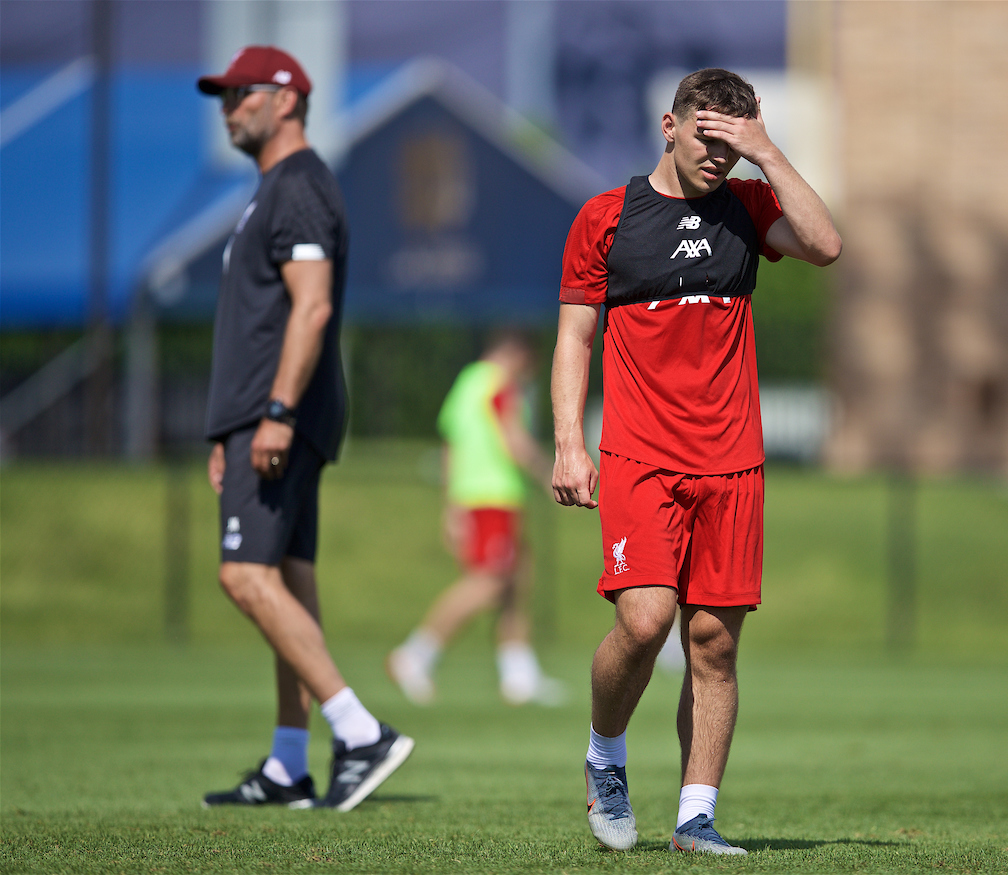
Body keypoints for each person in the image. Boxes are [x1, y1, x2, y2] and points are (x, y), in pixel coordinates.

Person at [550, 68, 841, 854]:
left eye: (733, 142)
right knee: (644, 621)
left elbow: (826, 244)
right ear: (670, 127)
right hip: (640, 456)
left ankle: (695, 818)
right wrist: (570, 442)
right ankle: (604, 754)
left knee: (712, 642)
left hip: (733, 463)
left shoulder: (749, 209)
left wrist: (769, 155)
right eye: (707, 137)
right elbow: (575, 336)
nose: (720, 157)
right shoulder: (605, 218)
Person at [197, 45, 413, 812]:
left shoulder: (298, 186)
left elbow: (312, 306)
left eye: (241, 94)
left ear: (287, 99)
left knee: (244, 575)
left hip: (278, 415)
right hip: (259, 418)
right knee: (285, 576)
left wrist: (276, 412)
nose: (229, 108)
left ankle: (360, 731)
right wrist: (231, 428)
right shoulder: (274, 189)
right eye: (222, 97)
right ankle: (290, 762)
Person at [387, 331, 565, 706]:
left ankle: (519, 676)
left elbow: (450, 445)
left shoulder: (467, 383)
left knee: (518, 580)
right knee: (488, 583)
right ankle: (415, 654)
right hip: (492, 496)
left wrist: (450, 506)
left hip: (475, 497)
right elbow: (513, 440)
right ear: (518, 355)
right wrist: (551, 472)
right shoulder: (499, 385)